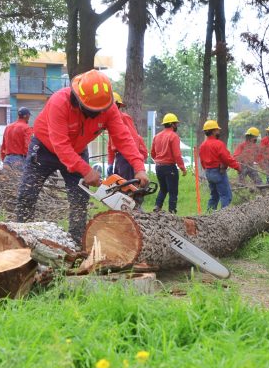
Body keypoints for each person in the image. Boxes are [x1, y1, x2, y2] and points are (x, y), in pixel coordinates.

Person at [15, 69, 149, 243]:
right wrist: (86, 170)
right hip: (45, 149)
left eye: (101, 111)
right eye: (93, 111)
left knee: (79, 198)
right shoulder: (59, 102)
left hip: (77, 151)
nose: (97, 114)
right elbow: (61, 145)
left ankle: (76, 241)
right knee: (28, 192)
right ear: (78, 99)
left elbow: (123, 138)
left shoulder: (109, 108)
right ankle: (20, 237)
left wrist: (139, 167)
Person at [199, 120, 241, 210]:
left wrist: (207, 169)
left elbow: (202, 160)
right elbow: (227, 158)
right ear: (213, 131)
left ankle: (209, 216)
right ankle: (224, 217)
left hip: (208, 172)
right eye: (217, 130)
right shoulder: (218, 144)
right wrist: (237, 167)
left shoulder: (203, 145)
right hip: (218, 172)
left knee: (214, 196)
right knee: (226, 196)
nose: (219, 131)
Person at [107, 92, 148, 181]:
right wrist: (110, 163)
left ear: (117, 106)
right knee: (119, 187)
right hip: (119, 159)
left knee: (129, 188)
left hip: (126, 158)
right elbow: (110, 144)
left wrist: (134, 160)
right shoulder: (110, 121)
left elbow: (133, 138)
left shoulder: (124, 118)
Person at [150, 113, 187, 213]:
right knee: (173, 191)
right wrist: (182, 167)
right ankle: (172, 212)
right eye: (176, 124)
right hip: (170, 167)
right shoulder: (174, 136)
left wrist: (160, 160)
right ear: (172, 124)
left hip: (158, 167)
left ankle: (157, 207)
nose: (177, 126)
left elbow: (152, 153)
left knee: (163, 189)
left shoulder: (157, 136)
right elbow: (177, 155)